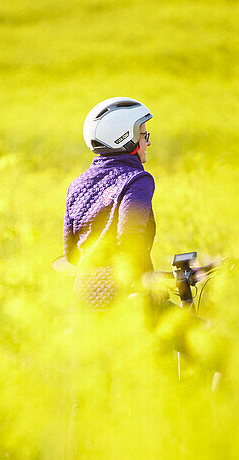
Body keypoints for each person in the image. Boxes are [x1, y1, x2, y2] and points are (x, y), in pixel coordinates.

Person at [60, 96, 156, 309]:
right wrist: (150, 287)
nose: (148, 141)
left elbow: (71, 253)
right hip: (124, 297)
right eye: (144, 135)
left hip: (82, 299)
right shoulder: (137, 180)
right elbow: (130, 238)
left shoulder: (76, 184)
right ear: (126, 137)